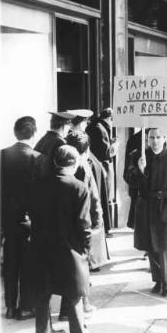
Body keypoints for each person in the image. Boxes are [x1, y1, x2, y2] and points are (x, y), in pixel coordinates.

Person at [30, 145, 99, 333]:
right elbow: (83, 224)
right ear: (74, 163)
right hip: (69, 249)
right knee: (74, 293)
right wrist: (86, 250)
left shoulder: (37, 184)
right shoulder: (78, 187)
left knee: (43, 291)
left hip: (41, 246)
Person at [126, 128, 167, 296]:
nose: (155, 141)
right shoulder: (138, 156)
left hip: (166, 205)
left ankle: (166, 281)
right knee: (150, 244)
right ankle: (157, 280)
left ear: (165, 138)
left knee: (165, 245)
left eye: (159, 137)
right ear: (147, 138)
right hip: (146, 205)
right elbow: (130, 180)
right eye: (152, 137)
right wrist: (139, 169)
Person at [0, 116, 39, 320]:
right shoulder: (37, 158)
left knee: (10, 265)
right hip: (28, 221)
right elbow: (38, 194)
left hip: (7, 221)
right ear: (34, 133)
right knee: (27, 265)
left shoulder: (2, 155)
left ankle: (9, 306)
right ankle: (25, 306)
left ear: (15, 132)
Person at [65, 131, 106, 310]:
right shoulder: (84, 167)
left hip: (67, 220)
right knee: (83, 264)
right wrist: (98, 222)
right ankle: (84, 303)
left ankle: (77, 304)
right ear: (86, 149)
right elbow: (93, 198)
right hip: (83, 220)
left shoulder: (63, 164)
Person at [86, 108, 116, 234]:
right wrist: (114, 147)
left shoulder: (96, 126)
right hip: (102, 165)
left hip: (98, 164)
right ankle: (105, 227)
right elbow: (105, 151)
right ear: (109, 118)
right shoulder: (100, 128)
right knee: (104, 195)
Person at [35, 111, 76, 177]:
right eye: (69, 126)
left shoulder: (43, 139)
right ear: (64, 126)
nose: (69, 129)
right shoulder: (61, 143)